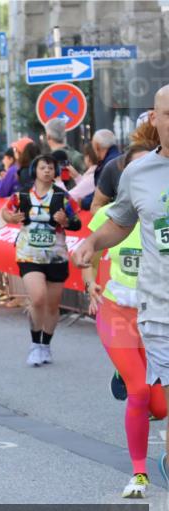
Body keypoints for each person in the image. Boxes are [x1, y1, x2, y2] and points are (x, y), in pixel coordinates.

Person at [73, 85, 169, 487]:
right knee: (159, 403)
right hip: (159, 310)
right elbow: (122, 220)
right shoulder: (139, 173)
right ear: (155, 118)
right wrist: (93, 242)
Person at [1, 154, 82, 366]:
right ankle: (35, 344)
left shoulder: (63, 197)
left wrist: (66, 221)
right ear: (35, 171)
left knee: (53, 306)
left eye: (50, 168)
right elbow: (3, 214)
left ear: (55, 172)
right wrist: (10, 218)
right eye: (42, 167)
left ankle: (46, 345)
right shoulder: (22, 196)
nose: (47, 171)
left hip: (56, 256)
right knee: (38, 298)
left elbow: (77, 223)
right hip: (29, 255)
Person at [84, 129, 120, 209]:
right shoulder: (122, 158)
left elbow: (102, 191)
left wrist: (83, 202)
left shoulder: (107, 165)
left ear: (96, 146)